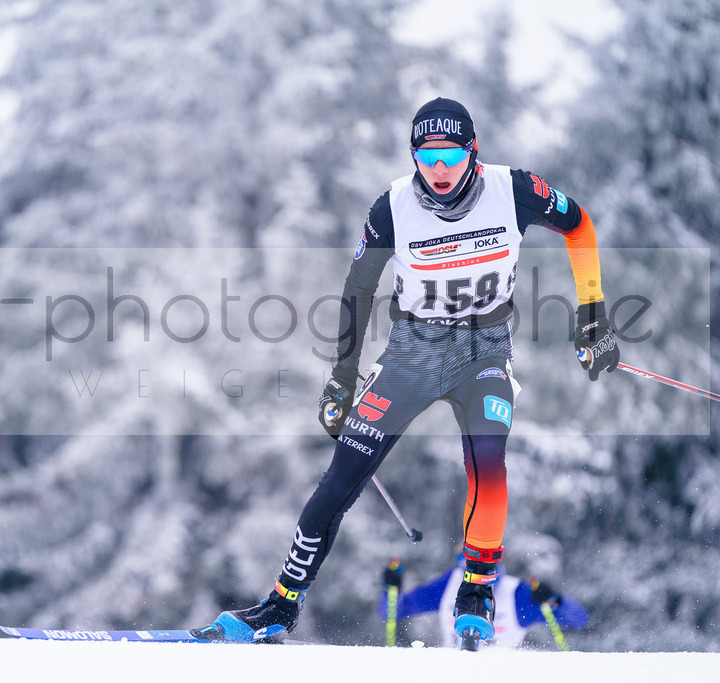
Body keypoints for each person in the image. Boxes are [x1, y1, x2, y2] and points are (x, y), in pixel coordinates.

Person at [194, 97, 619, 647]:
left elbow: (579, 225)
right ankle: (280, 604)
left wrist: (592, 312)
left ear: (473, 152)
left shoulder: (513, 190)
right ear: (413, 155)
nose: (439, 169)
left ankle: (477, 593)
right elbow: (358, 289)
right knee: (343, 474)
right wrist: (342, 377)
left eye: (451, 156)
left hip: (484, 353)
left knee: (488, 465)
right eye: (427, 155)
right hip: (412, 353)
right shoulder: (391, 208)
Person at [378, 555, 589, 648]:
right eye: (469, 568)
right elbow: (392, 611)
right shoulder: (449, 585)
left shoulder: (517, 595)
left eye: (486, 570)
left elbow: (579, 619)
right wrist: (391, 589)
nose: (477, 582)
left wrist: (554, 600)